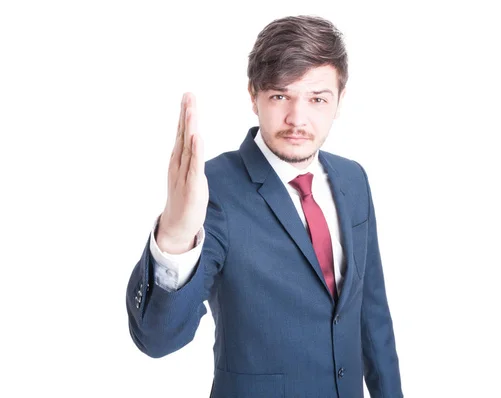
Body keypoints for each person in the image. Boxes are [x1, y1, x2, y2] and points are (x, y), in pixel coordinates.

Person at [126, 15, 403, 398]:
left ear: (339, 101)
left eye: (317, 99)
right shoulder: (212, 188)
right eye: (279, 95)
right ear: (253, 96)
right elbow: (158, 340)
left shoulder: (354, 180)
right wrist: (174, 235)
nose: (297, 119)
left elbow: (372, 317)